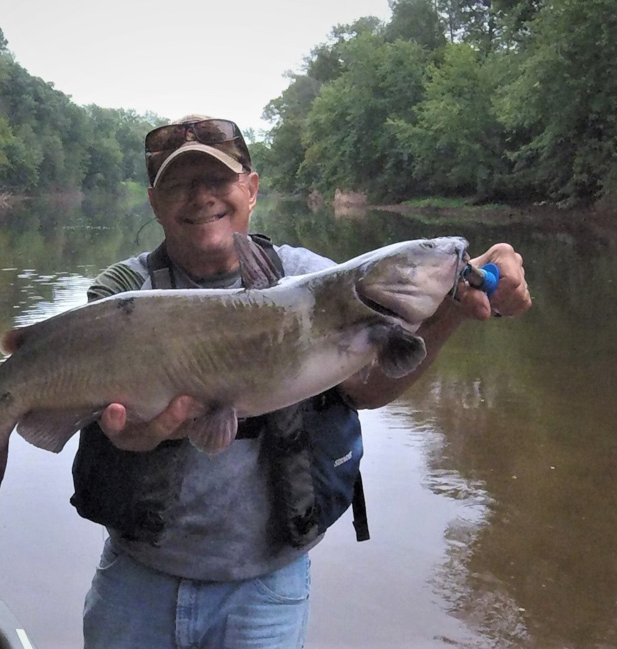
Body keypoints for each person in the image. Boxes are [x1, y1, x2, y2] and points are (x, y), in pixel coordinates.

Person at [70, 115, 532, 648]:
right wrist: (133, 434)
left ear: (251, 187)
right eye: (179, 184)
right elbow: (96, 413)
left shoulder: (311, 277)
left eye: (218, 180)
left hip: (266, 590)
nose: (202, 198)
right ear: (154, 201)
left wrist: (457, 301)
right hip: (137, 580)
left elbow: (368, 388)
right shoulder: (121, 295)